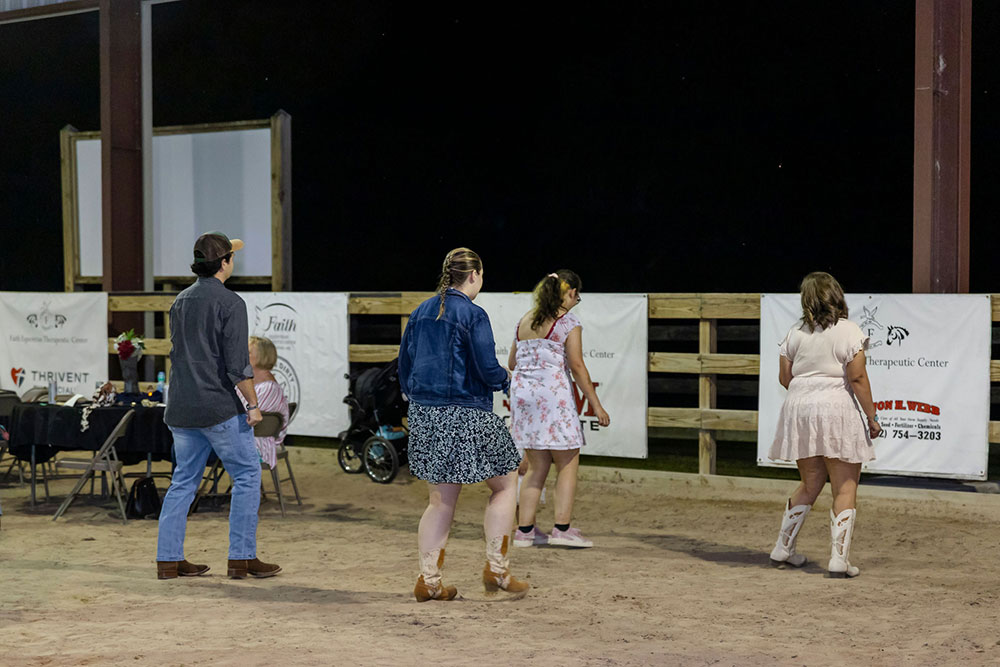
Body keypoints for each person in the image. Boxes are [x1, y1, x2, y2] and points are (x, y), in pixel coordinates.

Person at [398, 247, 528, 601]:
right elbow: (488, 368)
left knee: (440, 501)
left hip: (427, 413)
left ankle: (429, 580)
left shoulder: (421, 311)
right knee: (505, 482)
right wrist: (509, 381)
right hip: (466, 410)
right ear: (474, 275)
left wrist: (420, 401)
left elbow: (405, 367)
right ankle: (497, 570)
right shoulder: (473, 313)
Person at [156, 232, 281, 581]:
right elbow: (237, 363)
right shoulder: (230, 303)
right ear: (225, 262)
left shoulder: (180, 300)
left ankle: (168, 559)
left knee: (183, 481)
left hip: (181, 406)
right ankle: (241, 557)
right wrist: (253, 404)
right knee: (246, 475)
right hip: (216, 406)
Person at [767, 271, 881, 578]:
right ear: (836, 295)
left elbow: (784, 378)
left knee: (810, 482)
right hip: (835, 407)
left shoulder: (794, 332)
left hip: (800, 409)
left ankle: (783, 548)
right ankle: (839, 560)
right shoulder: (849, 331)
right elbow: (857, 378)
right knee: (844, 486)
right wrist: (872, 417)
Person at [508, 270, 610, 549]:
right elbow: (577, 366)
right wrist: (596, 405)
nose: (577, 300)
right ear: (569, 293)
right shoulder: (567, 322)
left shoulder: (524, 321)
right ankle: (562, 529)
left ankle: (525, 531)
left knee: (536, 466)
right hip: (552, 397)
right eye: (577, 295)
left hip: (524, 399)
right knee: (567, 461)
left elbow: (513, 363)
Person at [240, 336, 290, 469]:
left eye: (249, 352)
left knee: (190, 447)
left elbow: (242, 417)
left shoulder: (269, 388)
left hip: (257, 447)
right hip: (240, 442)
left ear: (262, 357)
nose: (243, 355)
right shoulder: (249, 383)